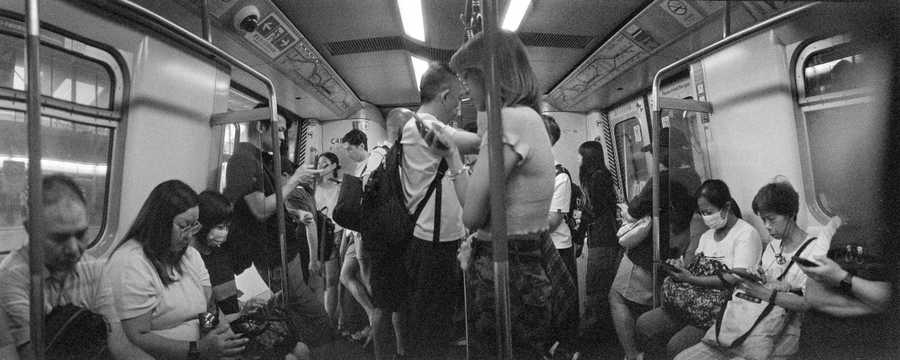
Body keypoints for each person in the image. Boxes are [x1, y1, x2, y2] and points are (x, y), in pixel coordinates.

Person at [450, 30, 577, 359]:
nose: (463, 86)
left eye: (466, 75)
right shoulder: (530, 117)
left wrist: (452, 158)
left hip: (507, 273)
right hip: (527, 261)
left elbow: (472, 215)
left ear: (488, 73)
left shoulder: (508, 120)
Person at [0, 175, 151, 360]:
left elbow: (118, 344)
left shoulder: (92, 267)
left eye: (81, 235)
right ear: (30, 229)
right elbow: (35, 355)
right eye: (59, 238)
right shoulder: (13, 277)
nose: (74, 249)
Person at [675, 180, 827, 360]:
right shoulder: (772, 247)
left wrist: (766, 293)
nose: (767, 226)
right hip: (751, 319)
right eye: (763, 220)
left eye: (771, 219)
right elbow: (763, 283)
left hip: (785, 329)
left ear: (791, 213)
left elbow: (808, 303)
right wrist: (758, 278)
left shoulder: (814, 251)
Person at [106, 180, 248, 359]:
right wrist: (198, 349)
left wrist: (217, 334)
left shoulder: (191, 257)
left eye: (194, 226)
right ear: (159, 223)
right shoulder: (131, 264)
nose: (189, 236)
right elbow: (136, 338)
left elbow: (205, 311)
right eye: (183, 226)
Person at [637, 179, 762, 358]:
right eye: (702, 213)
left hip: (721, 310)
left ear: (726, 207)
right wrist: (681, 268)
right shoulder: (707, 236)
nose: (705, 218)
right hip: (693, 303)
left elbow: (735, 279)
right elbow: (697, 267)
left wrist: (691, 279)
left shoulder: (746, 235)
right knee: (644, 324)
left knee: (676, 346)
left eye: (709, 212)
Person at [398, 63, 470, 360]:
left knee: (432, 322)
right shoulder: (425, 125)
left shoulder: (418, 124)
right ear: (444, 96)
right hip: (432, 244)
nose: (457, 107)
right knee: (430, 326)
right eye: (457, 99)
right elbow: (478, 141)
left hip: (435, 241)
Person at [611, 127, 700, 360]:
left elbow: (633, 211)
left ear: (664, 154)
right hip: (677, 249)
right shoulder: (694, 177)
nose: (654, 157)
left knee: (616, 296)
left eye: (656, 153)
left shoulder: (661, 180)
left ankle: (632, 355)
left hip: (649, 252)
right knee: (659, 304)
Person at [221, 110, 318, 295]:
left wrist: (294, 213)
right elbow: (261, 210)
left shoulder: (263, 160)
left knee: (302, 304)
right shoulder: (244, 160)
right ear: (260, 126)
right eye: (279, 130)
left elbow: (274, 203)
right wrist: (294, 180)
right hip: (271, 254)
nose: (282, 137)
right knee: (298, 306)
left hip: (282, 250)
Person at [338, 128, 379, 346]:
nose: (348, 154)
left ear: (362, 145)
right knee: (346, 276)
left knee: (368, 278)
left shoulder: (373, 163)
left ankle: (379, 323)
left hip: (364, 233)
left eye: (350, 149)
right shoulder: (358, 167)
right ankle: (373, 315)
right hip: (355, 233)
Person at [576, 140, 620, 339]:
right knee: (600, 284)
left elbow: (593, 210)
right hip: (604, 237)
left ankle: (596, 333)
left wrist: (578, 235)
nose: (578, 159)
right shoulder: (600, 176)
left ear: (588, 157)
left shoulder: (597, 178)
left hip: (603, 239)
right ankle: (600, 328)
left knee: (596, 286)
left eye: (580, 155)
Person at [313, 152, 343, 323]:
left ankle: (330, 320)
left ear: (334, 166)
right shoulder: (312, 187)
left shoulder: (340, 187)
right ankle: (318, 319)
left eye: (324, 164)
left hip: (335, 234)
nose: (320, 167)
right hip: (316, 234)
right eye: (318, 164)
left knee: (332, 279)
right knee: (317, 279)